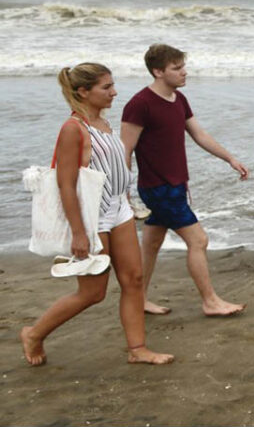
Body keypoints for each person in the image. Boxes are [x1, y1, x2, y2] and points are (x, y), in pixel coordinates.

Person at [21, 63, 173, 366]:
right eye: (106, 87)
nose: (114, 92)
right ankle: (34, 334)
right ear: (83, 91)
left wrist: (127, 200)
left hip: (119, 209)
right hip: (93, 216)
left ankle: (138, 349)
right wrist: (79, 232)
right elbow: (66, 184)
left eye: (112, 85)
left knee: (134, 279)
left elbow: (114, 168)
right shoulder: (73, 129)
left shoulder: (104, 122)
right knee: (93, 292)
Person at [120, 44, 247, 317]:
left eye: (183, 66)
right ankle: (210, 301)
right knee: (198, 240)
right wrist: (124, 193)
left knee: (151, 245)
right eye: (176, 68)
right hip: (158, 188)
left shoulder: (178, 99)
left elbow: (200, 135)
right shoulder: (139, 104)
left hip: (176, 184)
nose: (184, 72)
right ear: (158, 71)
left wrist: (230, 158)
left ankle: (138, 299)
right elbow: (125, 150)